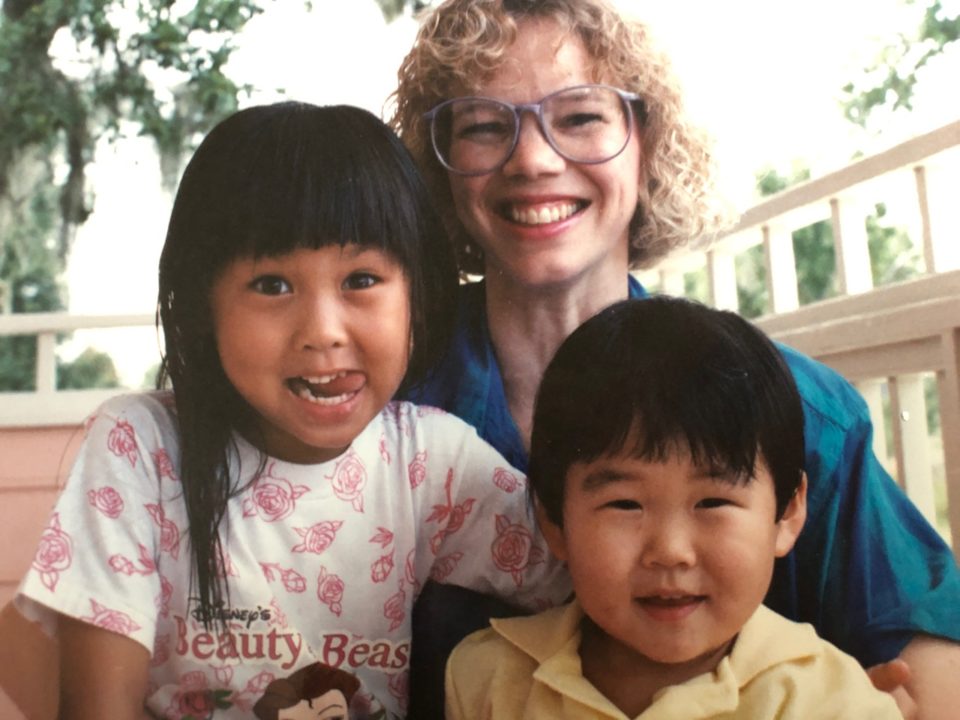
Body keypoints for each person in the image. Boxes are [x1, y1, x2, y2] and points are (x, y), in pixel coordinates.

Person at [390, 0, 960, 717]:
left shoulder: (800, 408)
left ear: (647, 141)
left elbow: (923, 655)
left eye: (581, 118)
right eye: (482, 126)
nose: (533, 159)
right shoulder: (378, 400)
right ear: (439, 167)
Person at [13, 102, 570, 719]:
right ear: (202, 307)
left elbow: (591, 575)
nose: (323, 332)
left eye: (361, 279)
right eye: (273, 285)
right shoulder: (141, 448)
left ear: (418, 294)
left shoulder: (427, 462)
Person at [445, 297, 903, 719]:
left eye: (713, 501)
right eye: (624, 504)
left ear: (786, 513)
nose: (670, 551)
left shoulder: (829, 701)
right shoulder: (489, 677)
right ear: (553, 521)